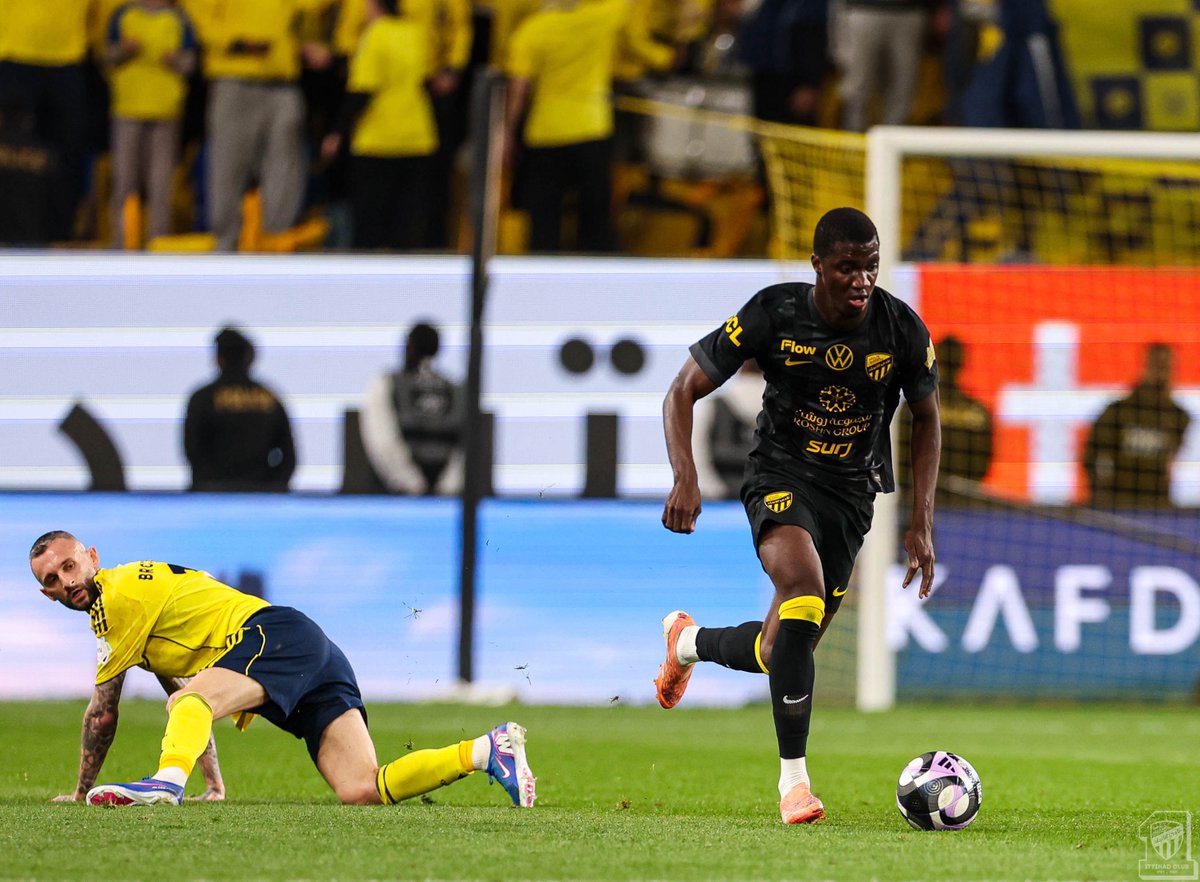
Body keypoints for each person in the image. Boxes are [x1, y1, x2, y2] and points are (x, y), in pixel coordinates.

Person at [656, 207, 940, 824]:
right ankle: (794, 785)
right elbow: (682, 389)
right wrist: (685, 476)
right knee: (803, 593)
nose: (862, 280)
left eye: (871, 266)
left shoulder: (901, 329)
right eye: (847, 268)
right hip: (780, 478)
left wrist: (921, 521)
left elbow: (927, 418)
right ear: (817, 266)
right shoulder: (774, 312)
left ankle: (687, 643)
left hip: (852, 497)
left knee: (779, 648)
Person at [29, 530, 537, 808]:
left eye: (69, 566)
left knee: (190, 702)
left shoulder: (116, 600)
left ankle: (165, 785)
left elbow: (104, 714)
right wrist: (214, 783)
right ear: (45, 593)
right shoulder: (136, 610)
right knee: (363, 788)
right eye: (51, 580)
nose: (65, 582)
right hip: (309, 649)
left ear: (92, 556)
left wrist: (80, 793)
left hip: (273, 635)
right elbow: (185, 689)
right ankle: (485, 750)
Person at [503, 0, 626, 253]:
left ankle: (541, 270)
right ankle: (595, 270)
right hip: (593, 128)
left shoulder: (532, 29)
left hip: (545, 132)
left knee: (543, 221)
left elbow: (519, 88)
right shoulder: (603, 18)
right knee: (595, 219)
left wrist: (506, 131)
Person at [321, 0, 438, 251]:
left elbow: (363, 89)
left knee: (369, 224)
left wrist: (338, 131)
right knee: (408, 221)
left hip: (377, 138)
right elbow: (430, 77)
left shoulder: (375, 34)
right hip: (417, 134)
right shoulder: (416, 32)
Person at [105, 0, 198, 247]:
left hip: (166, 110)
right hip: (128, 107)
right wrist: (125, 50)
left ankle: (158, 241)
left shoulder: (179, 18)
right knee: (124, 180)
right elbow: (107, 55)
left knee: (161, 184)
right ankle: (120, 241)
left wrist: (174, 60)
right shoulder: (124, 14)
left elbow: (191, 63)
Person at [183, 326, 297, 492]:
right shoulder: (269, 399)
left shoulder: (203, 398)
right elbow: (289, 457)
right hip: (260, 496)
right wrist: (271, 489)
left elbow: (193, 450)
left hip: (212, 496)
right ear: (250, 358)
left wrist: (212, 485)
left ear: (219, 359)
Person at [360, 321, 465, 494]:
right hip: (401, 495)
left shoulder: (455, 391)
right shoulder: (390, 385)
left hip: (434, 495)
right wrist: (415, 484)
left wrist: (436, 487)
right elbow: (383, 441)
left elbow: (464, 445)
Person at [1083, 343, 1191, 510]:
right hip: (1119, 505)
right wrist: (1101, 497)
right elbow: (1091, 457)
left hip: (1158, 507)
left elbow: (1170, 461)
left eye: (1167, 367)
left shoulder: (1179, 417)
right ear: (1145, 367)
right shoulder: (1118, 412)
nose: (1162, 374)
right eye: (1157, 366)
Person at [898, 334, 991, 503]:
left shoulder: (912, 407)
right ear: (962, 363)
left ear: (935, 361)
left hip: (918, 502)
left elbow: (901, 460)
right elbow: (982, 466)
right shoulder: (978, 413)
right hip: (963, 505)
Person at [692, 360, 764, 499]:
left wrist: (714, 491)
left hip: (721, 499)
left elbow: (696, 454)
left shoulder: (713, 406)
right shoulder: (786, 407)